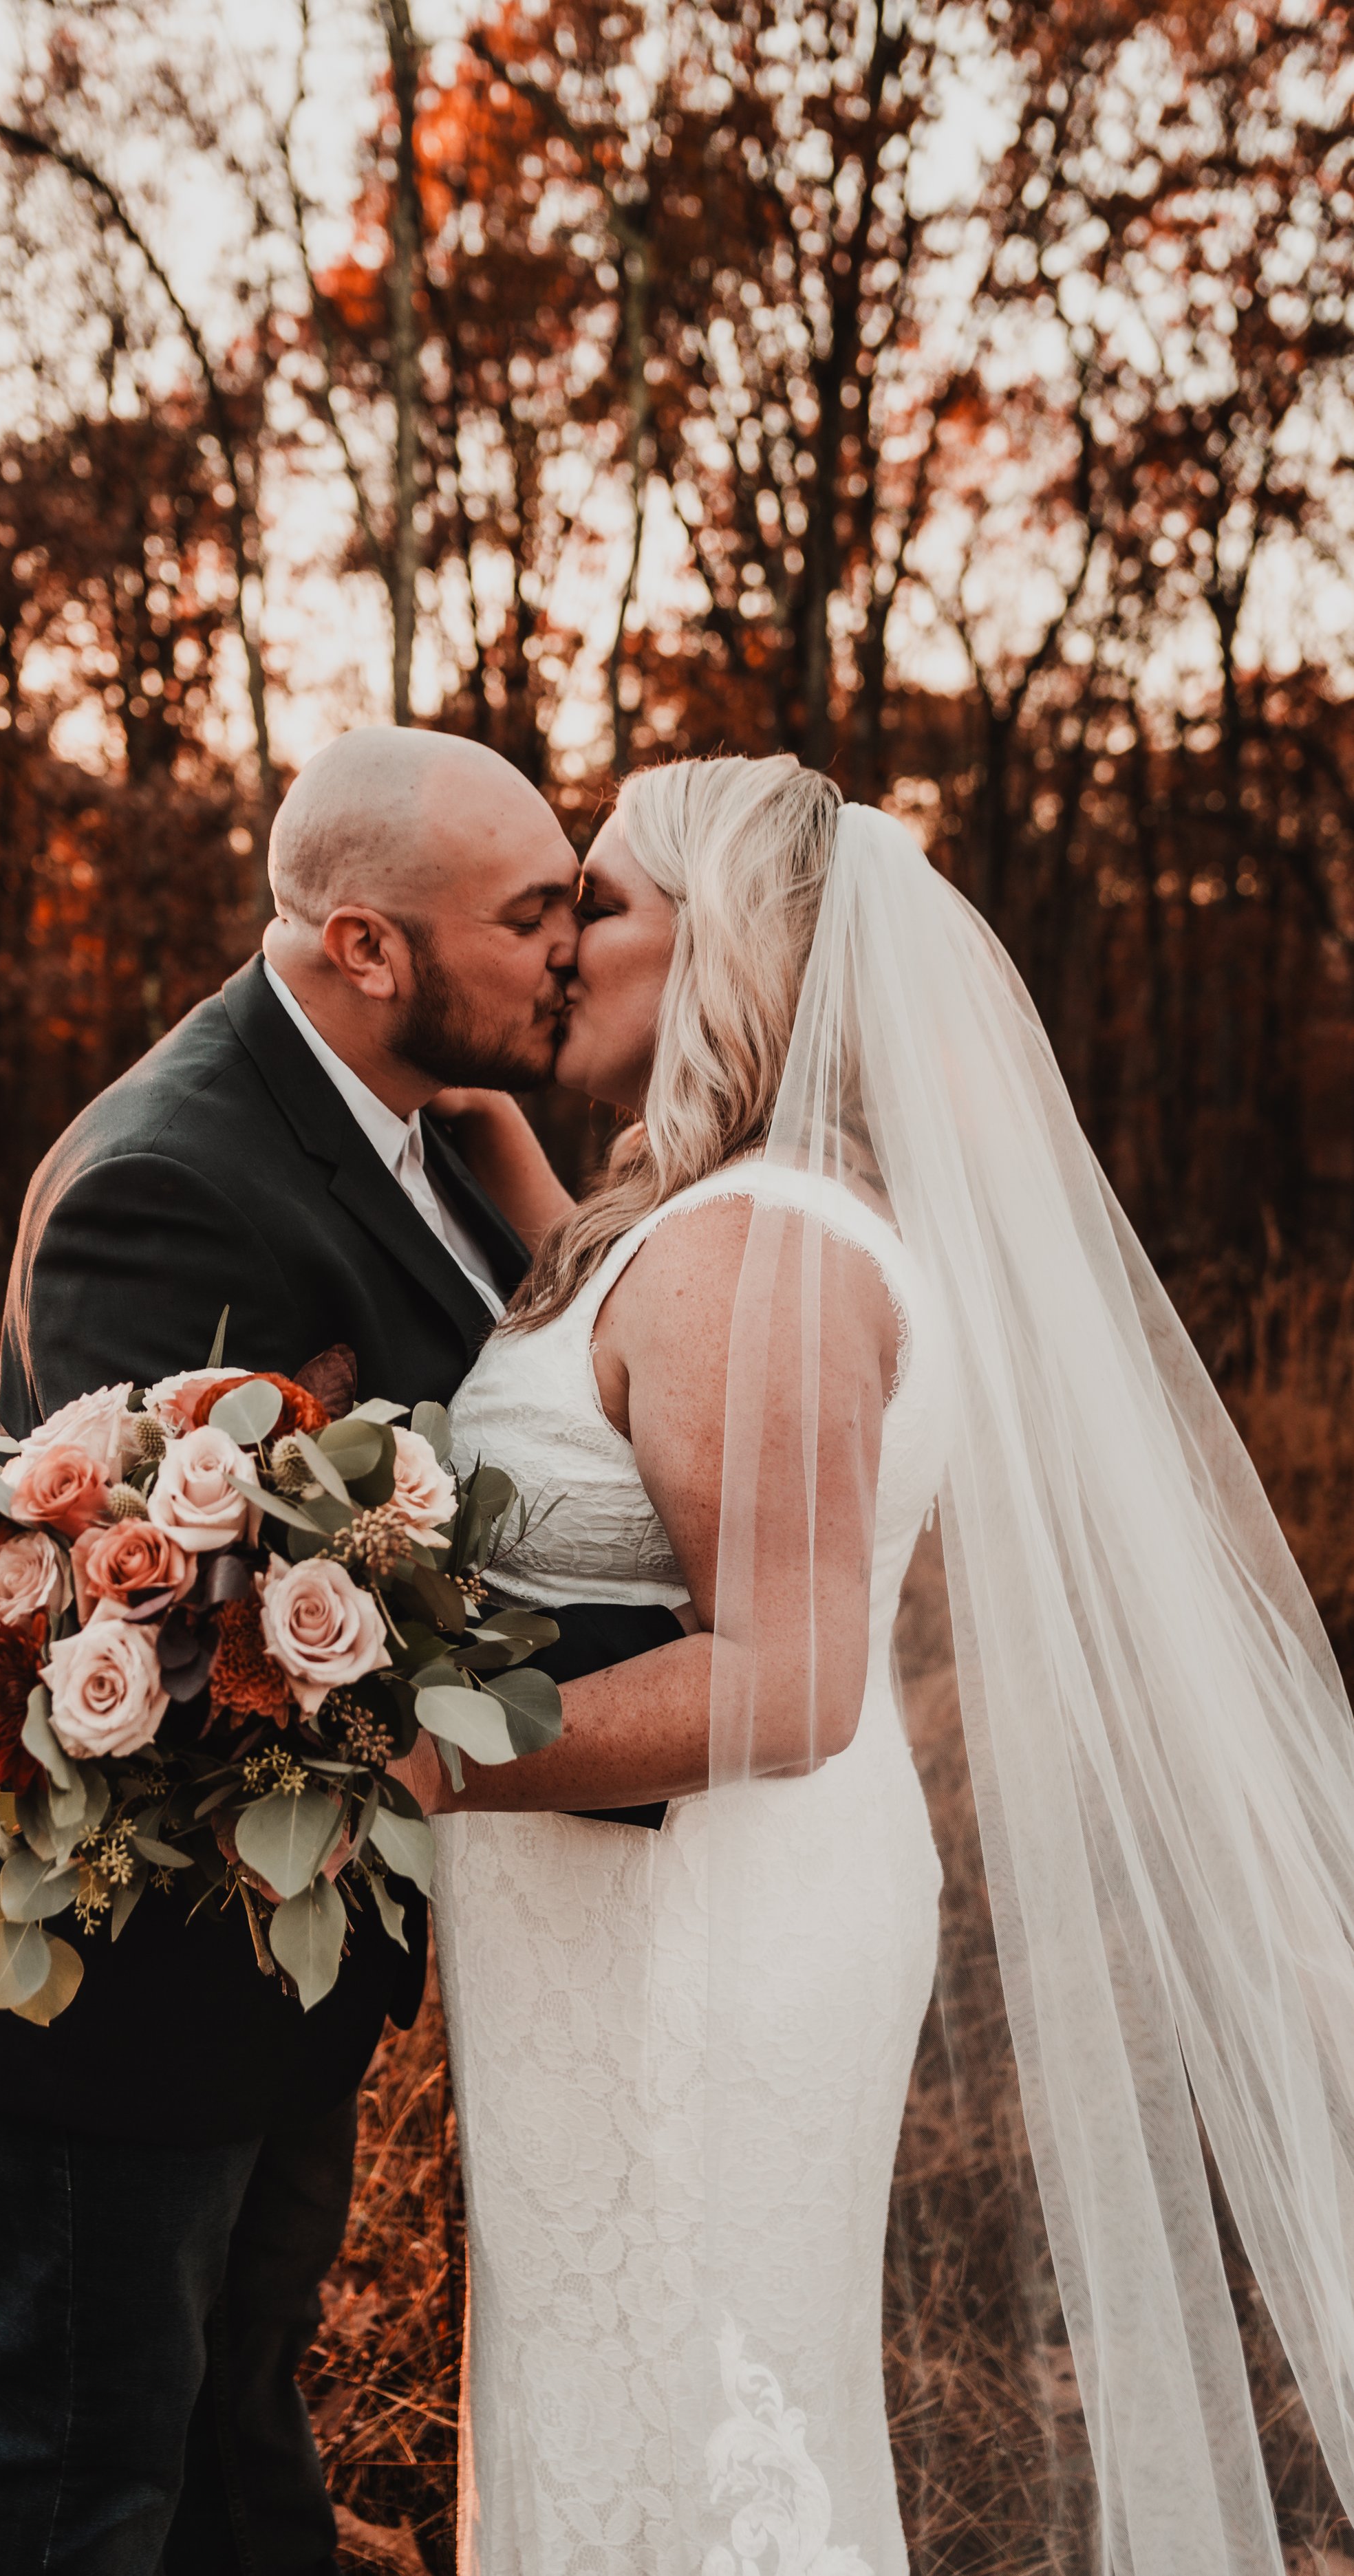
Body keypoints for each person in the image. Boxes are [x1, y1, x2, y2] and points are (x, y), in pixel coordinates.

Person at [410, 754, 1354, 2576]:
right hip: (620, 1926)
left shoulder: (754, 1249)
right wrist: (508, 1162)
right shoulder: (727, 1227)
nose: (557, 947)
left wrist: (414, 1750)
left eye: (599, 901)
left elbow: (783, 1684)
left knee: (702, 2410)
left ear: (727, 951)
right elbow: (632, 1435)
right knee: (619, 2385)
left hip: (702, 1933)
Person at [0, 726, 681, 2576]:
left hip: (283, 1948)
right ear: (369, 947)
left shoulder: (419, 1122)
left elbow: (483, 1441)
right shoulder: (174, 1175)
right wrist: (678, 1672)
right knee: (89, 2467)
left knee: (236, 2426)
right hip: (128, 1969)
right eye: (528, 912)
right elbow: (141, 1620)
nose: (565, 947)